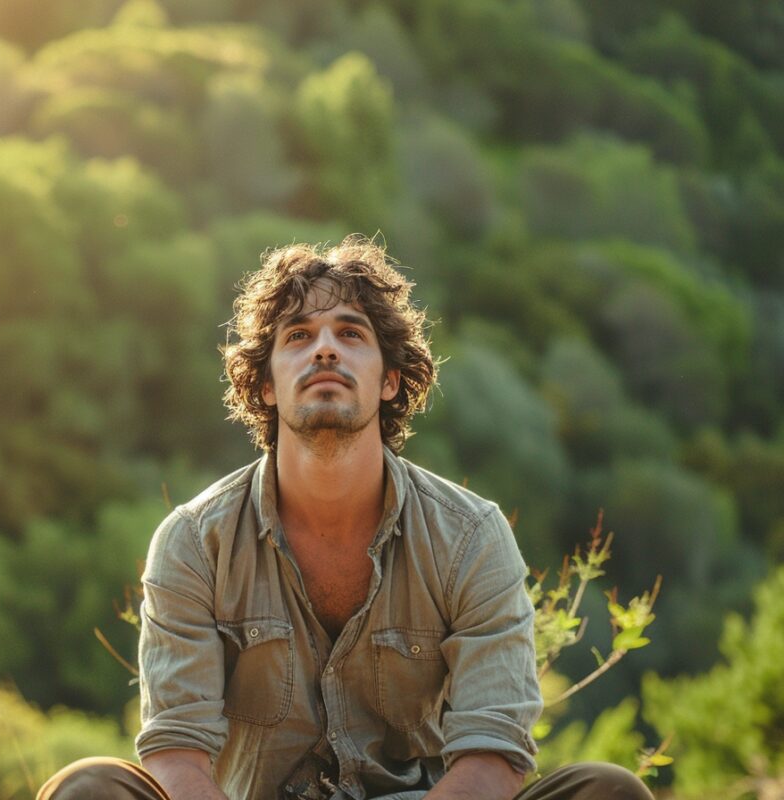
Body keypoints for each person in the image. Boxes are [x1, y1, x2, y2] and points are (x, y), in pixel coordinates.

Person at [38, 237, 652, 800]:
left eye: (351, 333)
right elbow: (176, 754)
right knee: (88, 789)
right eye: (298, 336)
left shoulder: (469, 537)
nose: (325, 346)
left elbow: (493, 755)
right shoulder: (196, 543)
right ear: (267, 385)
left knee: (607, 791)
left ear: (388, 381)